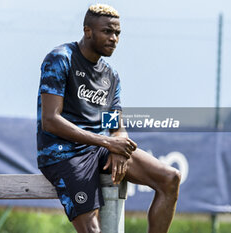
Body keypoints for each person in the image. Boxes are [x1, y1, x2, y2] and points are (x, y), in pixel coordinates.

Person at [37, 3, 181, 233]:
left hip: (100, 149)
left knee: (170, 179)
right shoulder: (60, 58)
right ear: (88, 31)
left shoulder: (110, 75)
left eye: (117, 33)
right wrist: (108, 142)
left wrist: (118, 145)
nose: (114, 38)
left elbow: (115, 126)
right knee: (93, 231)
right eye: (107, 31)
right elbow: (50, 120)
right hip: (64, 154)